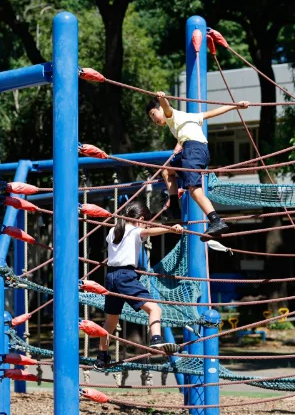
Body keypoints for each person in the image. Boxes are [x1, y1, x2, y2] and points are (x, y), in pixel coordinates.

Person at [94, 201, 184, 370]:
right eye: (145, 222)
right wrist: (170, 229)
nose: (146, 225)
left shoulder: (114, 231)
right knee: (155, 309)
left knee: (110, 321)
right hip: (125, 276)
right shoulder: (135, 231)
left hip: (111, 277)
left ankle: (101, 357)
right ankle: (156, 339)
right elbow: (147, 231)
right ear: (141, 219)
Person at [147, 91, 249, 239]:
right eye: (151, 118)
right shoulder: (189, 117)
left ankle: (215, 220)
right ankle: (174, 207)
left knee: (194, 190)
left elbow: (166, 107)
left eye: (153, 114)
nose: (153, 120)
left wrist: (162, 98)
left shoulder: (171, 115)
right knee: (167, 171)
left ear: (160, 109)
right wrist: (235, 106)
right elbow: (213, 113)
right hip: (201, 151)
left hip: (192, 150)